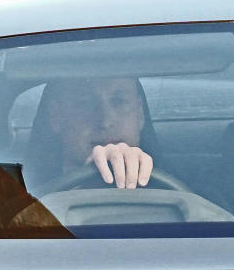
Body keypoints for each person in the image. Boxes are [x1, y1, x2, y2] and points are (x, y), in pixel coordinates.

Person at [26, 77, 156, 190]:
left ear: (140, 114)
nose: (105, 121)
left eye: (119, 101)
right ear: (56, 116)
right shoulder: (21, 199)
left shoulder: (173, 198)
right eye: (85, 103)